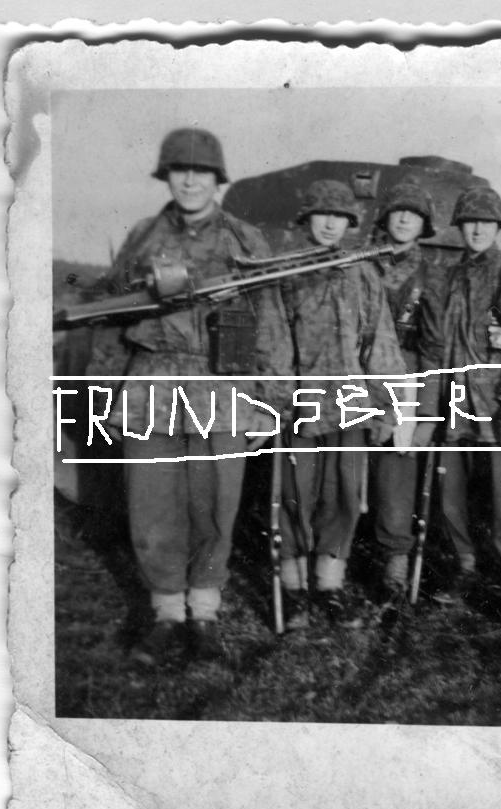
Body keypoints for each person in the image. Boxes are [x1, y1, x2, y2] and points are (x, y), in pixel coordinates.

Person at [88, 127, 293, 664]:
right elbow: (109, 320)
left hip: (220, 387)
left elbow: (270, 322)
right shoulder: (142, 237)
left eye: (201, 171)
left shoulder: (245, 241)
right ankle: (165, 615)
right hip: (151, 386)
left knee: (214, 507)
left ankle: (203, 613)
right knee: (152, 507)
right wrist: (103, 393)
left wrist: (271, 401)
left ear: (217, 179)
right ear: (167, 175)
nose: (190, 181)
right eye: (180, 170)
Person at [278, 180, 405, 631]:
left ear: (351, 223)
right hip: (300, 403)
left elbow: (380, 343)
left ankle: (329, 586)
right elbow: (272, 341)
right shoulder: (284, 274)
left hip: (351, 404)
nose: (330, 224)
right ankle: (293, 589)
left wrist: (387, 405)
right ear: (306, 219)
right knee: (294, 493)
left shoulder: (363, 274)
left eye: (339, 217)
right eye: (322, 214)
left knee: (345, 495)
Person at [417, 186, 501, 622]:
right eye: (470, 221)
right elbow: (434, 347)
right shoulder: (446, 278)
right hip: (456, 402)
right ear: (459, 226)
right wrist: (430, 408)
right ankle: (466, 567)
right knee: (452, 492)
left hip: (497, 404)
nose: (477, 229)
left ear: (498, 226)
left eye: (485, 222)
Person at [369, 182, 448, 606]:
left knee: (396, 470)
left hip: (405, 375)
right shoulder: (362, 263)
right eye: (397, 211)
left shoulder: (431, 274)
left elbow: (434, 348)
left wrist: (428, 411)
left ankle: (395, 564)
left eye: (413, 214)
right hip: (356, 371)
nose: (403, 219)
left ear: (423, 225)